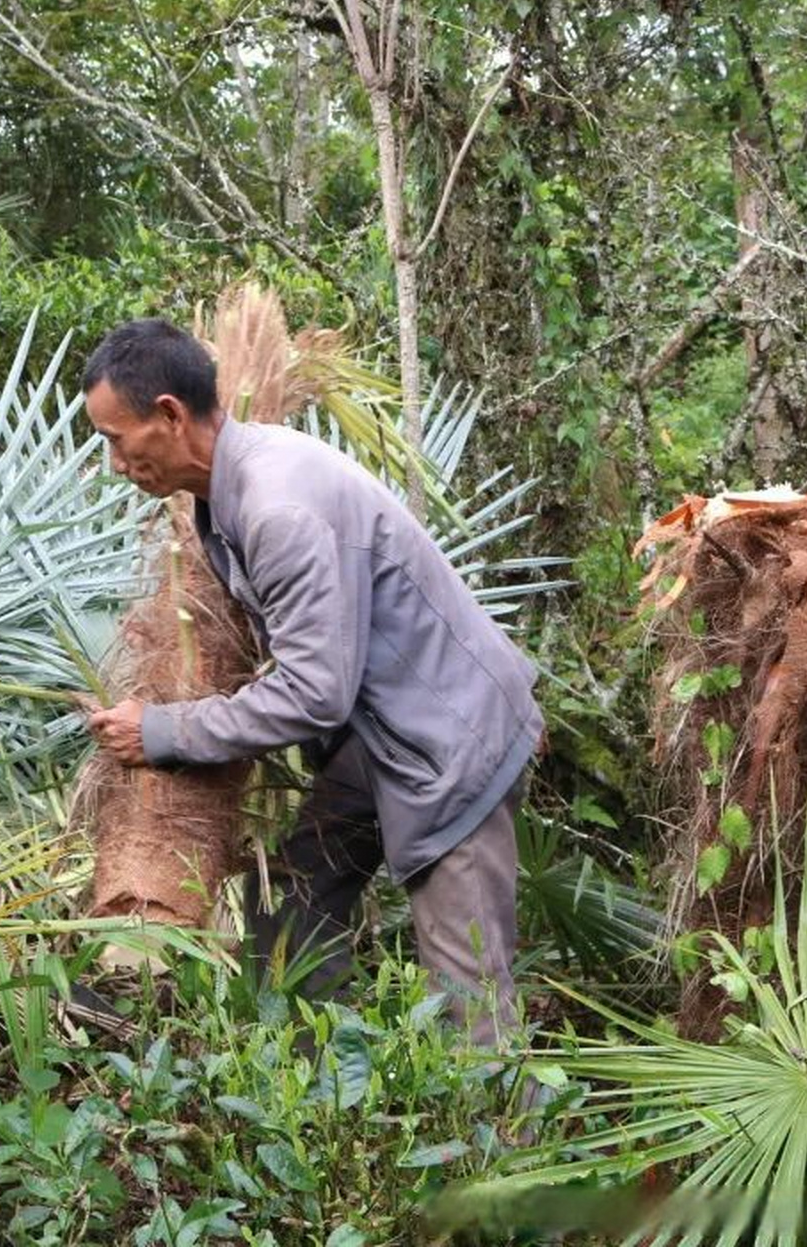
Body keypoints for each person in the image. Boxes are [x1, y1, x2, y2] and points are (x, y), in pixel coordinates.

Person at [83, 318, 543, 1045]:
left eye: (115, 438)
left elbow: (313, 692)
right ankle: (323, 1091)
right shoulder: (233, 485)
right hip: (384, 735)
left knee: (469, 999)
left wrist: (164, 730)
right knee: (288, 909)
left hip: (453, 745)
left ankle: (507, 1144)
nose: (114, 462)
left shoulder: (278, 508)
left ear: (169, 415)